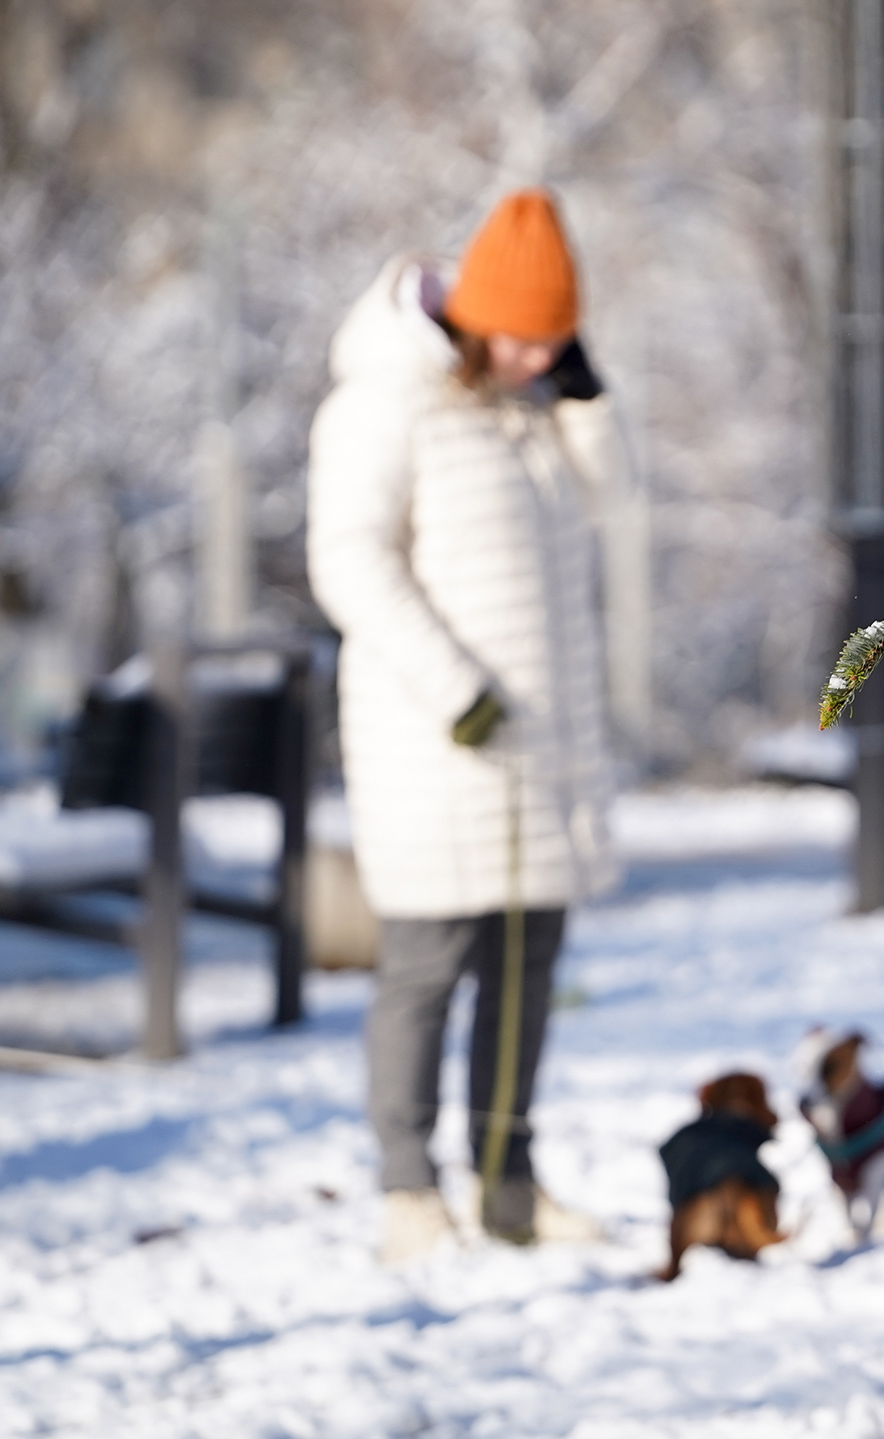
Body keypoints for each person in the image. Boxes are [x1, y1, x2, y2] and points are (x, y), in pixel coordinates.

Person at [308, 189, 622, 1264]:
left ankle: (507, 1185)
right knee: (427, 968)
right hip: (436, 742)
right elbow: (348, 559)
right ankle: (409, 1188)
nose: (540, 356)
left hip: (542, 748)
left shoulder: (532, 404)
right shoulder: (384, 403)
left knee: (527, 967)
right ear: (477, 316)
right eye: (525, 335)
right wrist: (457, 692)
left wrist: (584, 396)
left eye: (557, 338)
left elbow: (610, 501)